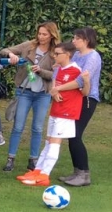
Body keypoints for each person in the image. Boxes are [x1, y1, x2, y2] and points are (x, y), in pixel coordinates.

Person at [19, 42, 89, 187]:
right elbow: (54, 85)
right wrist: (54, 91)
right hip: (56, 109)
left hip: (67, 112)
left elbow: (84, 91)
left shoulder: (75, 70)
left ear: (67, 55)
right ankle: (38, 170)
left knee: (55, 144)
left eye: (57, 54)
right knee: (49, 142)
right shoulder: (59, 68)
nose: (54, 56)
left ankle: (45, 175)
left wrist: (85, 82)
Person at [0, 21, 59, 172]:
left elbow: (56, 74)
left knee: (37, 128)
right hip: (24, 92)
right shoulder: (29, 45)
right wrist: (11, 55)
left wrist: (41, 71)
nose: (41, 37)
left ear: (52, 35)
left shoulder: (56, 52)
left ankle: (33, 160)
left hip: (43, 94)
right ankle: (10, 159)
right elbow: (4, 50)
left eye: (45, 34)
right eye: (39, 33)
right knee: (18, 127)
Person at [58, 27, 102, 187]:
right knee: (71, 135)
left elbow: (81, 81)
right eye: (74, 37)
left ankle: (84, 175)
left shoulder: (93, 57)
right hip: (75, 99)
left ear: (87, 40)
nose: (73, 40)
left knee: (76, 135)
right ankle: (77, 172)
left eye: (77, 38)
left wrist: (58, 88)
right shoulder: (76, 55)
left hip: (87, 99)